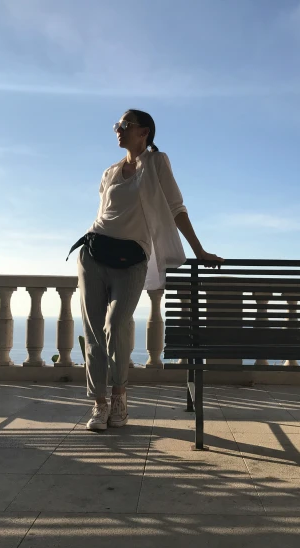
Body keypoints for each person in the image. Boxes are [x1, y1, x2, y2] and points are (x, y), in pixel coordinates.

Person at [67, 109, 223, 431]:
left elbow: (177, 208)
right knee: (94, 332)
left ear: (144, 132)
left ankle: (120, 397)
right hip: (93, 254)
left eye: (124, 125)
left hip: (132, 259)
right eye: (116, 126)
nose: (118, 131)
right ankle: (99, 404)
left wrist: (199, 250)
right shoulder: (110, 171)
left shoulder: (156, 163)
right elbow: (104, 213)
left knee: (115, 324)